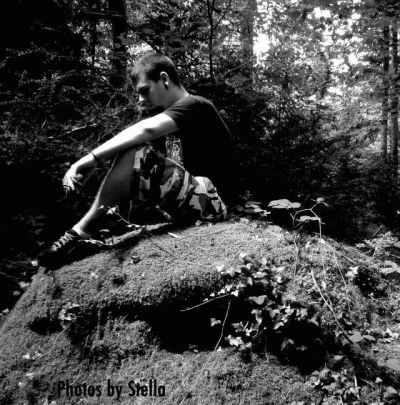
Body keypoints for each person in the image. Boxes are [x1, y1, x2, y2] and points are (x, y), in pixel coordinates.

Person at [37, 52, 239, 268]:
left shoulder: (196, 105)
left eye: (144, 90)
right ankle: (88, 234)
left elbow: (146, 130)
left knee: (135, 153)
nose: (141, 100)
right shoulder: (175, 125)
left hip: (217, 206)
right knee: (135, 154)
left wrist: (89, 160)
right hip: (195, 208)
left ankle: (80, 233)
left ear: (164, 79)